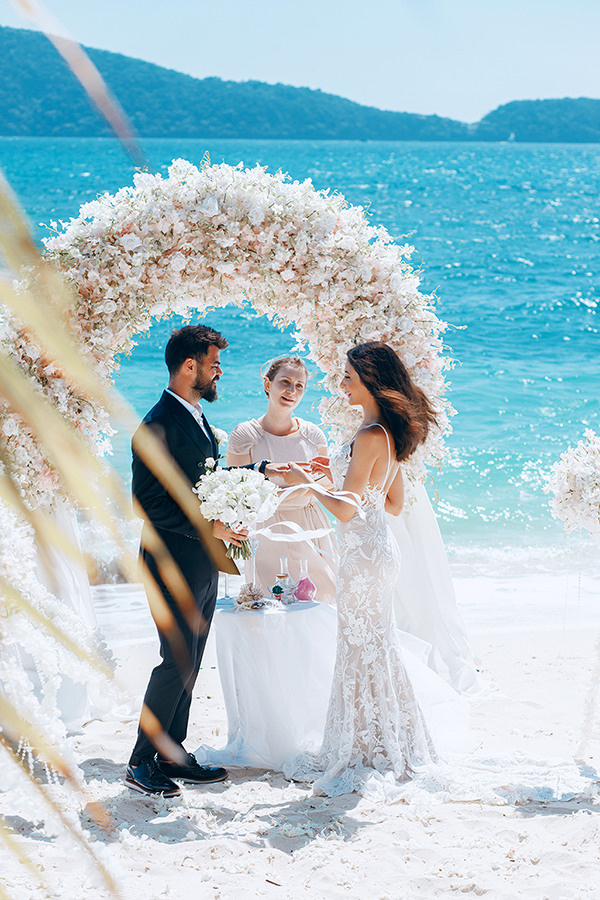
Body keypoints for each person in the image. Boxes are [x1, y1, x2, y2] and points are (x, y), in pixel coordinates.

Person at [281, 341, 444, 796]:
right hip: (377, 552)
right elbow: (390, 503)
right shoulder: (384, 432)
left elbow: (348, 511)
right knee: (373, 645)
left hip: (362, 557)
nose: (342, 383)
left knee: (360, 646)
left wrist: (308, 484)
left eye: (348, 376)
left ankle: (367, 745)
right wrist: (335, 475)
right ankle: (387, 741)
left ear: (370, 379)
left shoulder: (371, 433)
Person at [126, 324, 276, 797]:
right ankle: (139, 764)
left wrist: (262, 472)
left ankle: (172, 753)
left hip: (200, 562)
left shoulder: (192, 416)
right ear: (190, 366)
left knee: (190, 661)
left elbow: (204, 482)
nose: (219, 372)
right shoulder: (157, 424)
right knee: (176, 660)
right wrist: (209, 527)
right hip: (169, 560)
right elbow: (146, 502)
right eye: (213, 364)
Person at [226, 357, 338, 602]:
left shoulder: (313, 435)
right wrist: (302, 487)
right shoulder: (245, 435)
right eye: (285, 382)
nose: (292, 391)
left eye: (299, 386)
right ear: (268, 384)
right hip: (267, 531)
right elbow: (234, 494)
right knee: (274, 605)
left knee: (325, 597)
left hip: (310, 525)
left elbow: (325, 485)